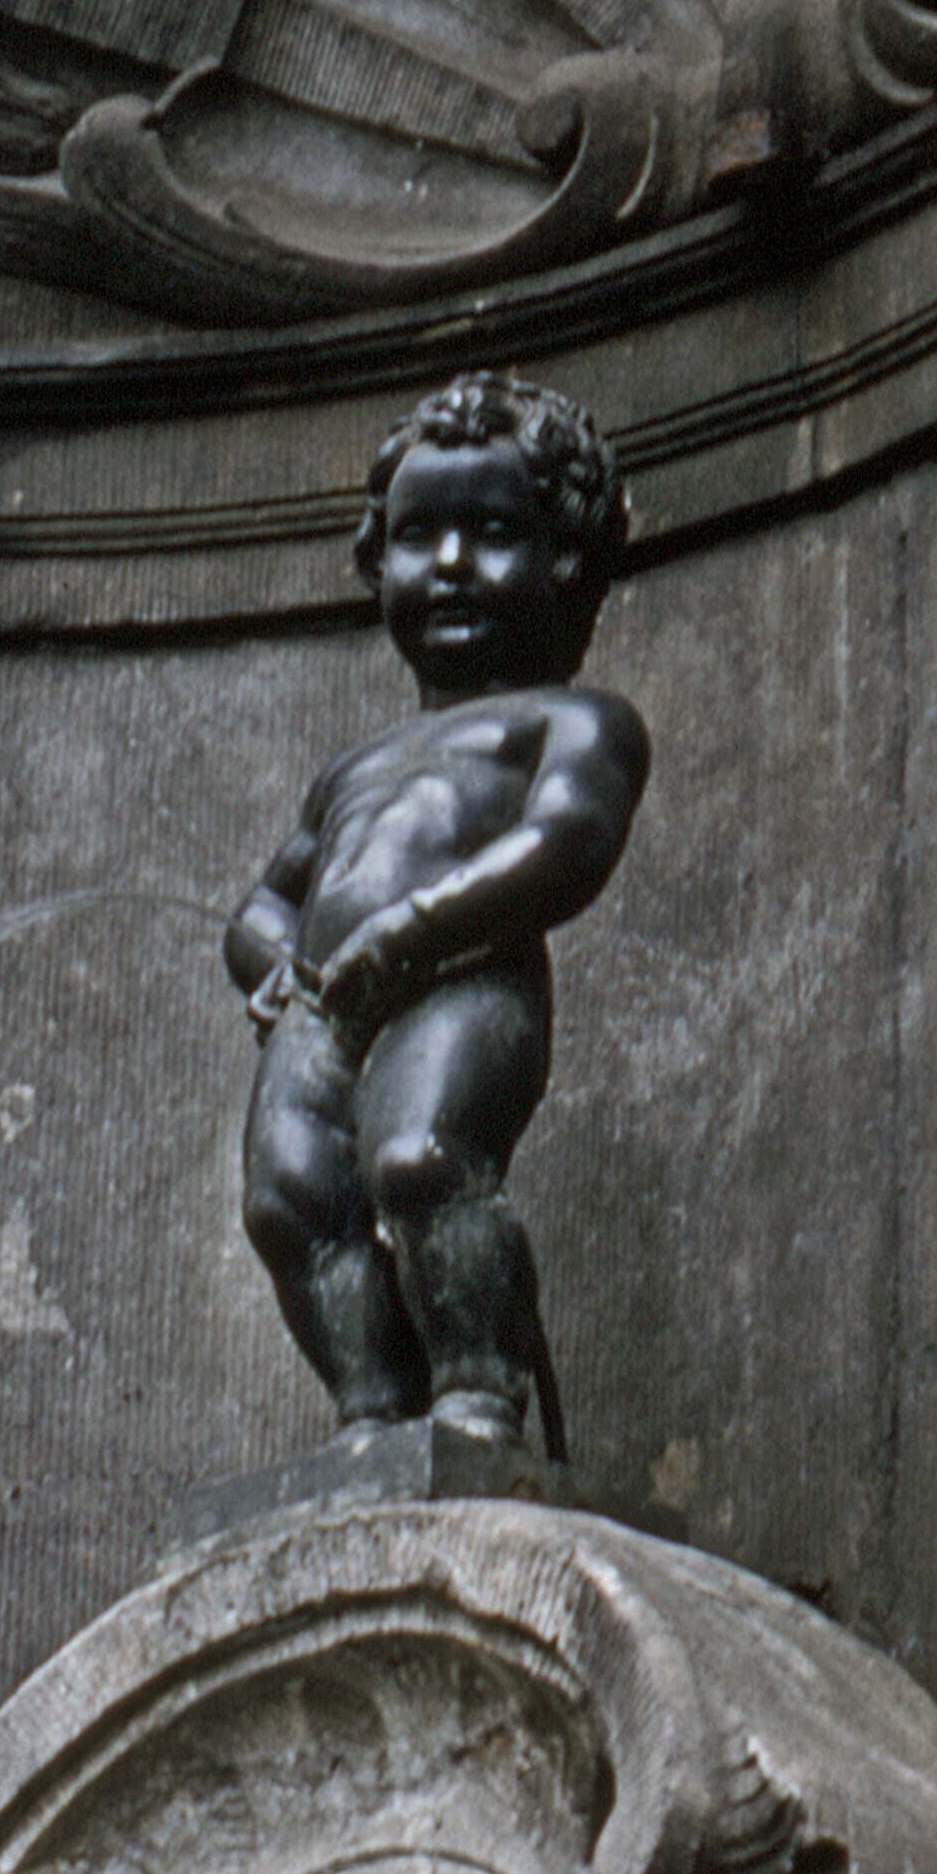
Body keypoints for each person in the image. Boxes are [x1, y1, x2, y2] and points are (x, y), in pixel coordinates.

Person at [226, 372, 646, 1454]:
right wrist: (275, 964)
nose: (450, 564)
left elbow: (565, 846)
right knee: (289, 1199)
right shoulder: (351, 769)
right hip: (325, 1006)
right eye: (419, 535)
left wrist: (415, 932)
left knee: (421, 1159)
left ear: (565, 558)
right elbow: (266, 902)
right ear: (378, 563)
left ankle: (477, 1395)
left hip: (464, 977)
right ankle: (371, 1412)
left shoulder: (574, 722)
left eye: (493, 532)